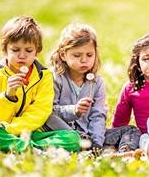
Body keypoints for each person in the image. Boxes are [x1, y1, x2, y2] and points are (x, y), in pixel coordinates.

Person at [0, 16, 80, 153]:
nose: (22, 56)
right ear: (5, 50)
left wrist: (12, 129)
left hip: (31, 132)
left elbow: (40, 112)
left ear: (37, 51)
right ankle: (36, 150)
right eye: (15, 50)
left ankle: (22, 147)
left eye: (28, 50)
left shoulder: (44, 76)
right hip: (0, 130)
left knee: (73, 138)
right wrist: (8, 96)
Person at [44, 24, 141, 153]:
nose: (84, 60)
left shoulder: (96, 82)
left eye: (89, 55)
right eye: (77, 55)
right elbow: (49, 112)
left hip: (91, 136)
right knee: (50, 119)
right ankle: (85, 147)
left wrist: (97, 143)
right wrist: (74, 111)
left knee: (131, 131)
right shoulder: (55, 78)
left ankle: (124, 153)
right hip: (65, 135)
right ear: (63, 55)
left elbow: (98, 115)